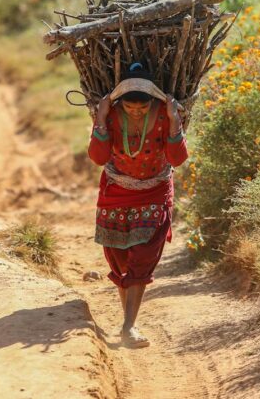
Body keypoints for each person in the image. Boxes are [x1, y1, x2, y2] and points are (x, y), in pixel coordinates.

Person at [88, 62, 188, 348]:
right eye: (129, 108)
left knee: (143, 255)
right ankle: (128, 320)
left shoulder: (166, 115)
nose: (135, 112)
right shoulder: (111, 115)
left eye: (142, 109)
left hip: (154, 192)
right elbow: (98, 156)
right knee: (120, 257)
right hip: (116, 191)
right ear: (120, 104)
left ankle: (129, 326)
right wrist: (102, 116)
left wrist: (174, 120)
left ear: (153, 102)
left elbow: (177, 159)